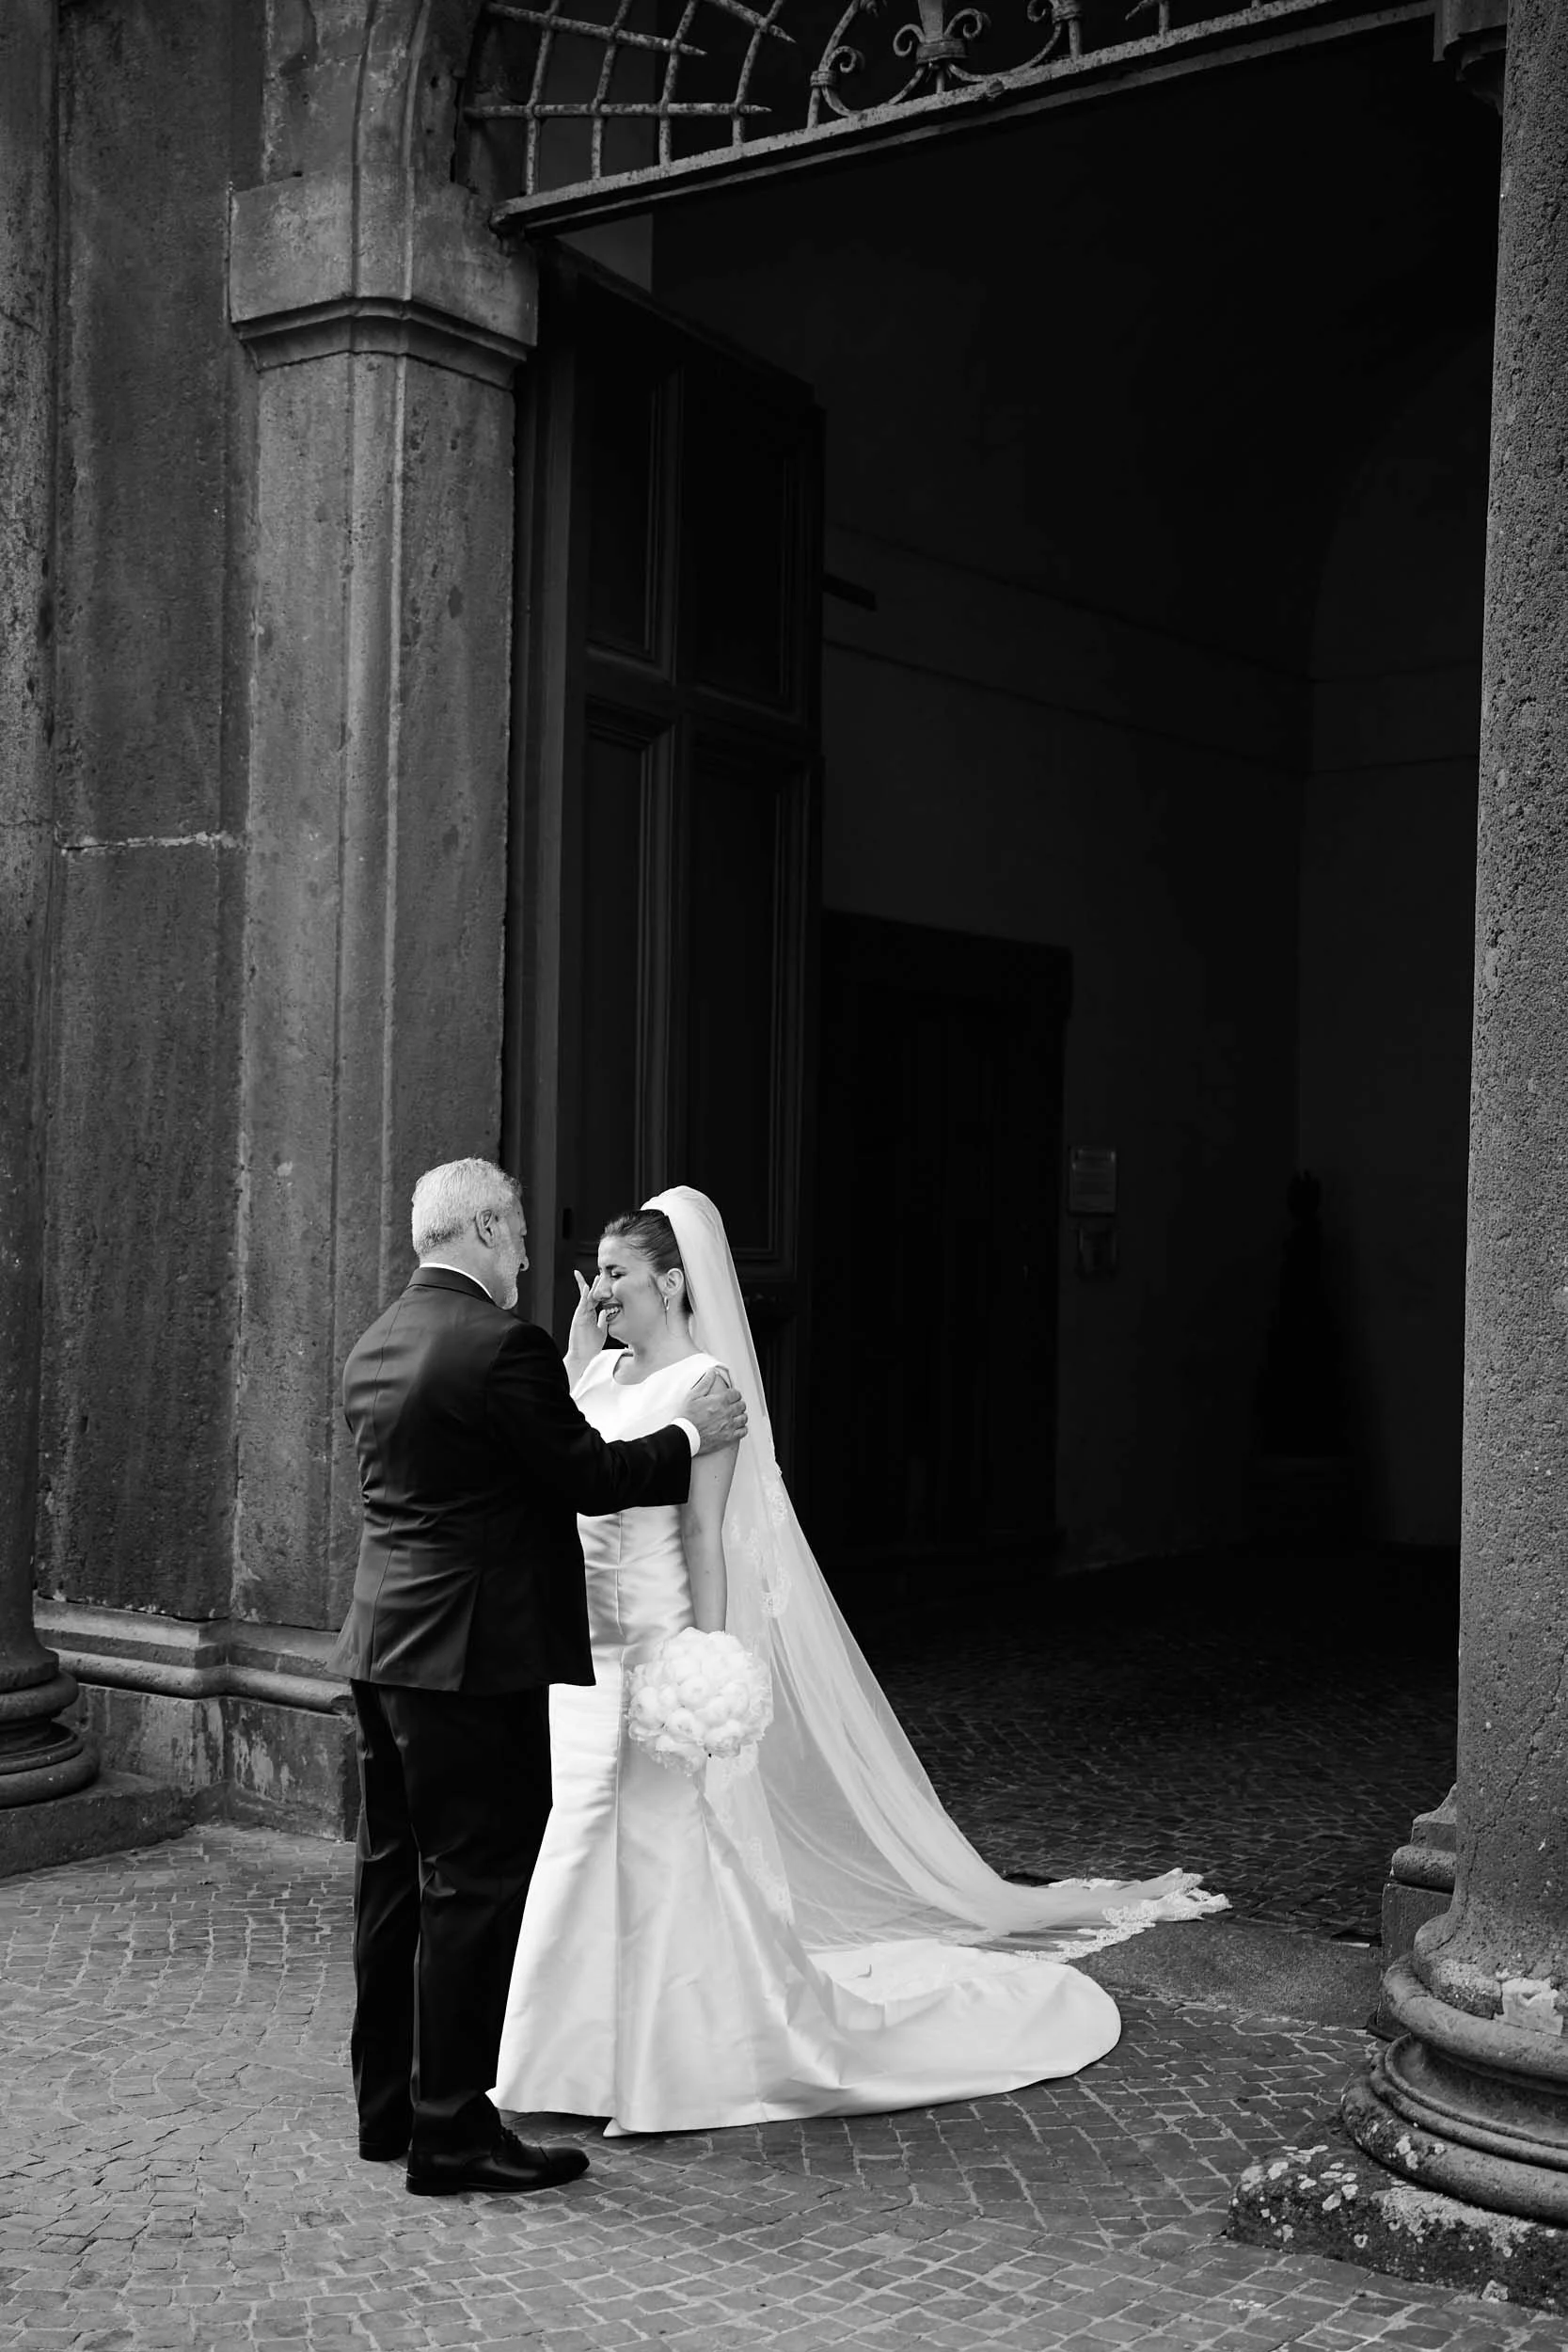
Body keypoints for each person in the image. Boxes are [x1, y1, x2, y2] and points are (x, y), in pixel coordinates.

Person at [492, 1185, 1223, 2137]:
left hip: (653, 1649)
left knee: (647, 1842)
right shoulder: (595, 1374)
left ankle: (674, 2060)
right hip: (581, 1662)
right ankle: (574, 2060)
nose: (599, 1290)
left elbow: (706, 1535)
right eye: (597, 1274)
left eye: (617, 1273)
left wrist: (701, 1662)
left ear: (671, 1282)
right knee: (580, 1839)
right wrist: (580, 1356)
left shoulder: (702, 1388)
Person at [332, 1158, 748, 2196]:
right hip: (473, 1662)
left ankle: (387, 2110)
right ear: (480, 1227)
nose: (530, 1258)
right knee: (472, 1885)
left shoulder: (377, 1342)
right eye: (518, 1236)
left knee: (391, 1882)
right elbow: (588, 1477)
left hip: (380, 1653)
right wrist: (691, 1432)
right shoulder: (497, 1345)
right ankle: (453, 2134)